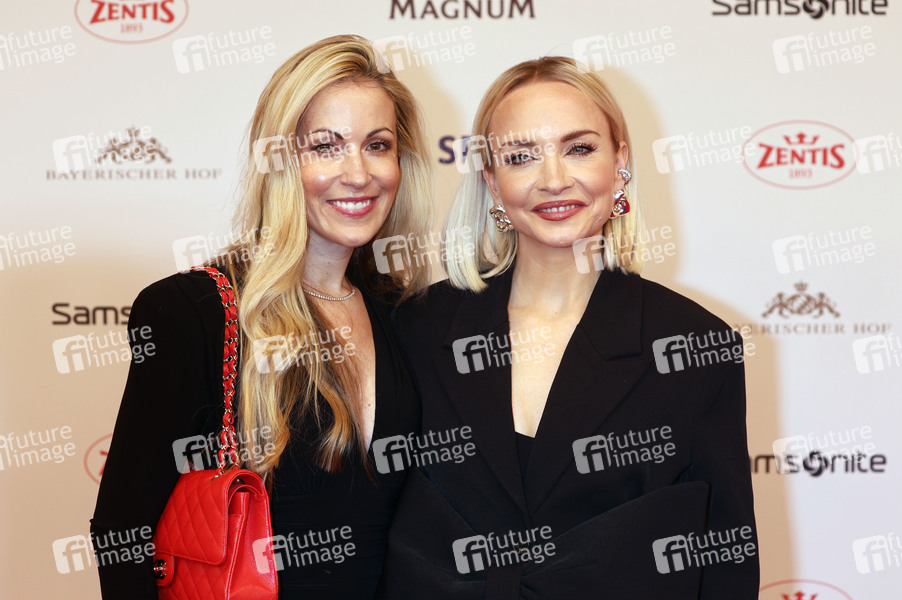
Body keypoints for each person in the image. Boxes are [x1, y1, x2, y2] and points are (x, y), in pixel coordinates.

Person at [376, 57, 758, 598]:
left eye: (578, 149)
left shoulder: (697, 348)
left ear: (620, 163)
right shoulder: (415, 327)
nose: (554, 180)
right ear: (491, 181)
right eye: (521, 157)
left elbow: (724, 565)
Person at [91, 34, 433, 599]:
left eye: (378, 145)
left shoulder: (405, 315)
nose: (358, 173)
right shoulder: (195, 313)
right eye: (325, 146)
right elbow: (122, 533)